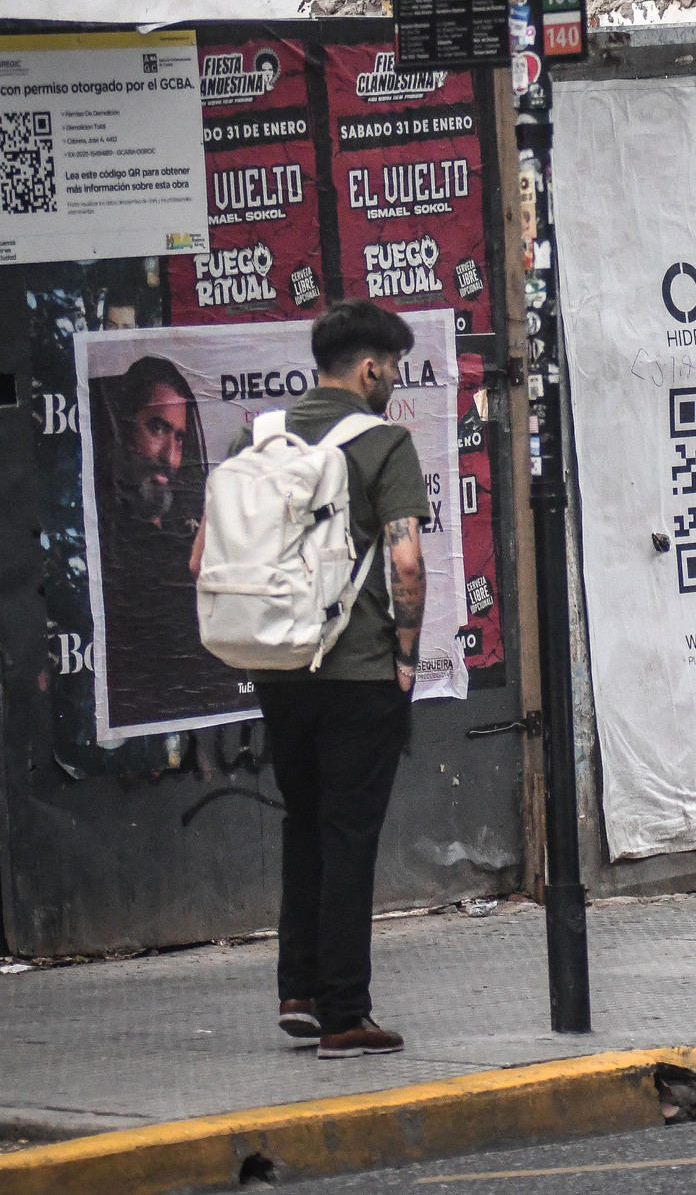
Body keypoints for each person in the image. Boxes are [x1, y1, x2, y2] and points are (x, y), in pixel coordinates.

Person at [192, 301, 429, 1059]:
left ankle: (297, 990)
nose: (393, 379)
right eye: (392, 367)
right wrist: (407, 655)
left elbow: (200, 560)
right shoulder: (385, 442)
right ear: (370, 368)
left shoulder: (255, 439)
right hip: (357, 671)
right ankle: (344, 1015)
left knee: (304, 822)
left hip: (280, 667)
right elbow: (407, 564)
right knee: (350, 834)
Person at [95, 356, 236, 729]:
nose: (169, 458)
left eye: (179, 438)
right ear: (123, 431)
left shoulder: (194, 540)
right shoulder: (102, 543)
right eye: (156, 428)